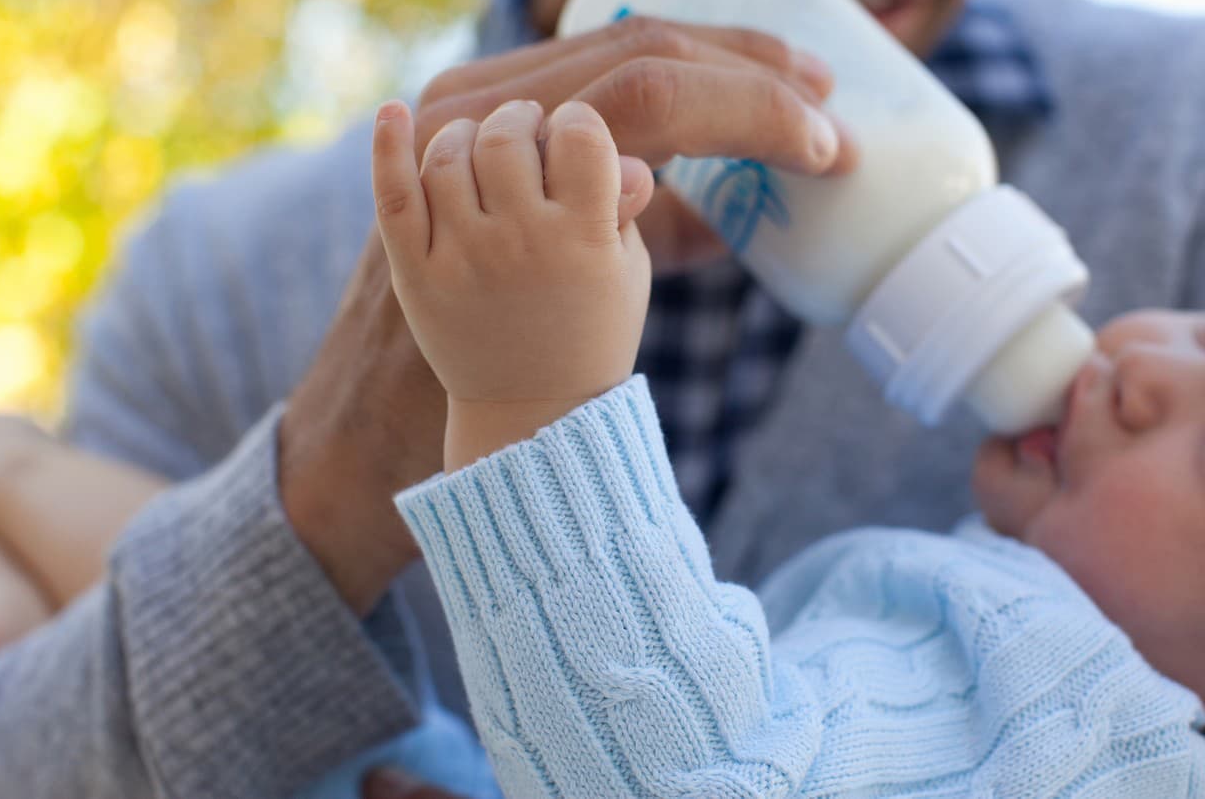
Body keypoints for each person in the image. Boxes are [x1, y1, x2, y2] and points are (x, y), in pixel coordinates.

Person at [0, 0, 1205, 795]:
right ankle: (22, 478)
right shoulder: (219, 274)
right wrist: (323, 483)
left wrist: (524, 409)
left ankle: (19, 482)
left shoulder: (1178, 149)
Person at [369, 95, 1205, 795]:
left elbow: (702, 778)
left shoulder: (1079, 714)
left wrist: (534, 396)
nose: (1146, 369)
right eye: (1201, 336)